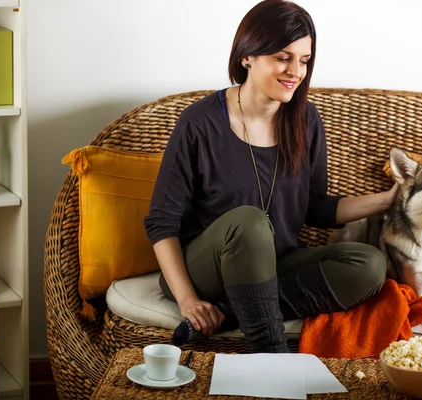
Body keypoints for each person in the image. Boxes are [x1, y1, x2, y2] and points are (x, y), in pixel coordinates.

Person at [144, 0, 397, 353]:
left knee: (369, 264)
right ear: (247, 56)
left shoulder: (305, 119)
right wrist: (187, 300)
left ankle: (234, 313)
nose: (296, 71)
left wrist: (390, 200)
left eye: (304, 60)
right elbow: (162, 222)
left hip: (271, 269)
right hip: (205, 272)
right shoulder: (200, 122)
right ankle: (270, 350)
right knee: (249, 220)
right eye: (283, 57)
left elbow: (316, 208)